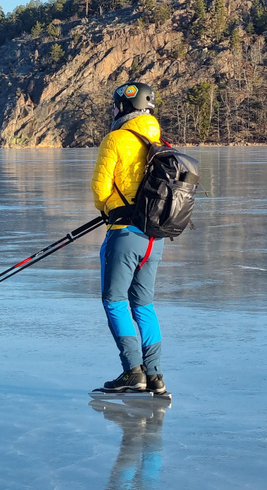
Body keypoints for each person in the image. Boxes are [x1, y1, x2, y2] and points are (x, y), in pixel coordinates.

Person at [91, 82, 166, 394]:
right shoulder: (159, 140)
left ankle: (132, 371)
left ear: (125, 107)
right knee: (144, 304)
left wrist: (108, 208)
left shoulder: (116, 139)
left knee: (114, 300)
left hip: (123, 234)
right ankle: (155, 374)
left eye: (116, 105)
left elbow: (100, 191)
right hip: (154, 237)